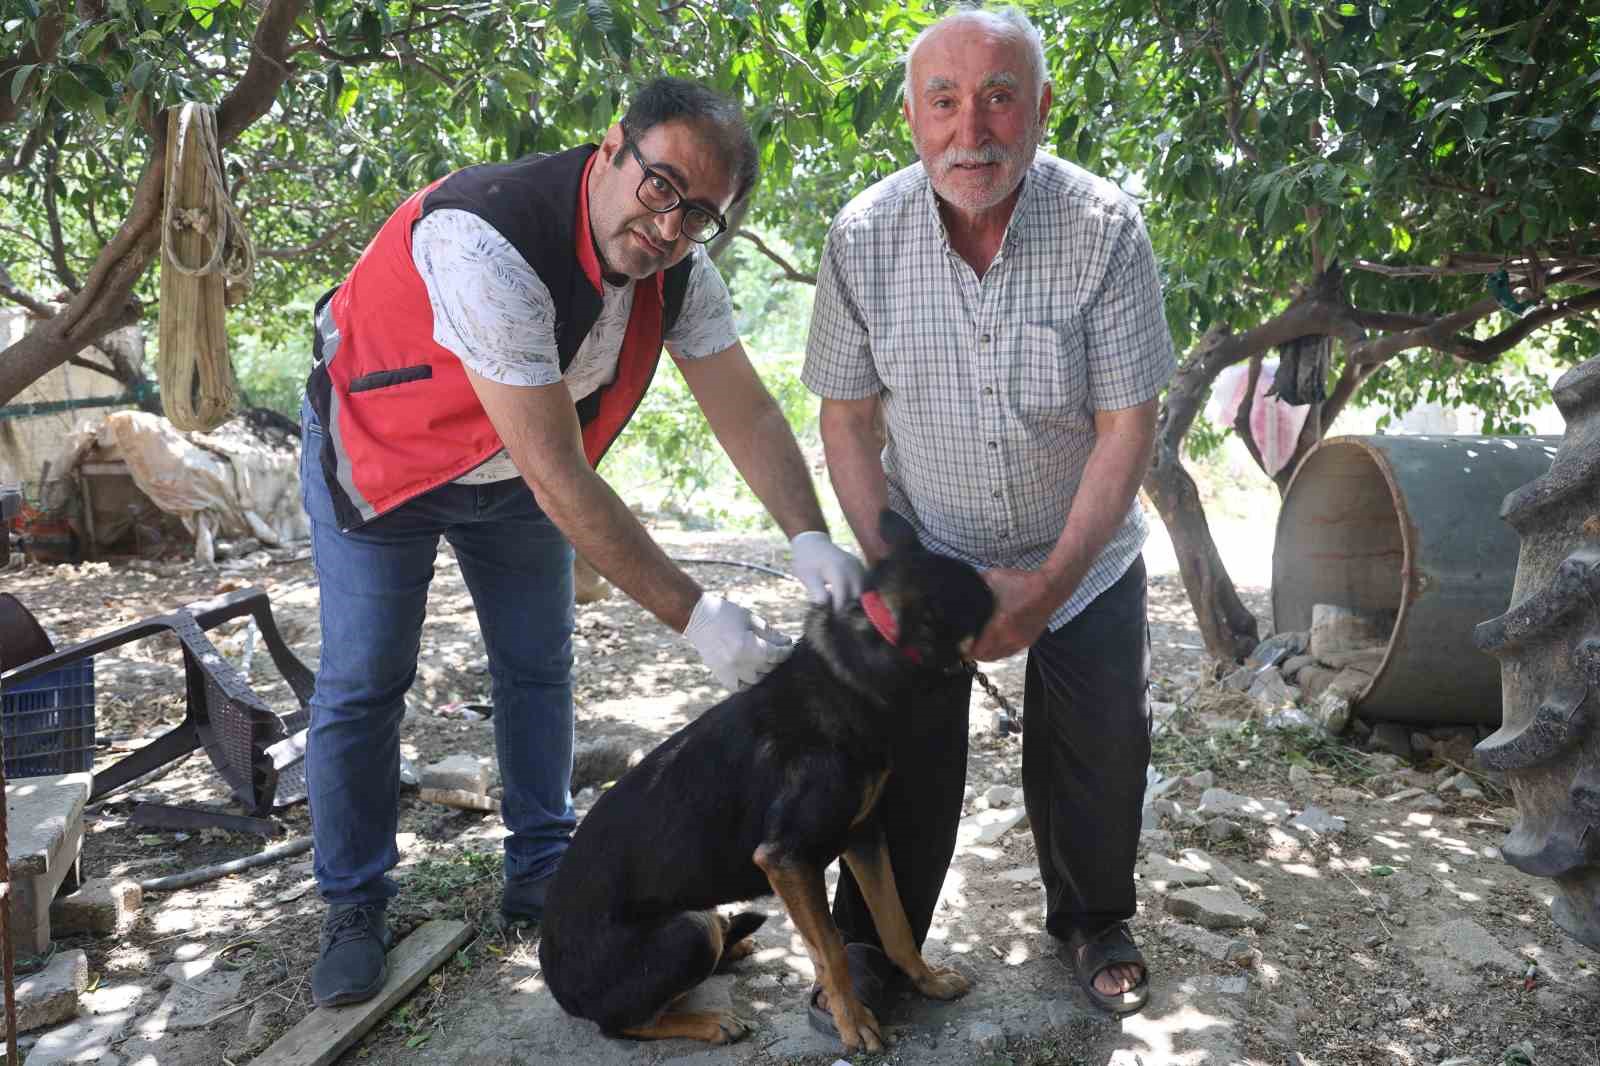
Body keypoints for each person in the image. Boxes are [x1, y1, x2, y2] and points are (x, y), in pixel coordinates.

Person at [300, 77, 864, 1008]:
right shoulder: (485, 237)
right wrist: (700, 619)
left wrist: (810, 535)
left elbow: (746, 408)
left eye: (700, 215)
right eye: (661, 185)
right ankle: (354, 901)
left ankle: (541, 866)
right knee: (365, 681)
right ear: (611, 148)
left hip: (515, 469)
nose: (670, 226)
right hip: (386, 454)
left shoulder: (680, 272)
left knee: (537, 664)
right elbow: (562, 477)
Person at [801, 6, 1174, 1025]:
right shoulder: (863, 236)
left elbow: (1126, 428)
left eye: (999, 98)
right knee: (899, 749)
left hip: (1082, 550)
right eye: (945, 102)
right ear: (912, 117)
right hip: (931, 547)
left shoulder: (1105, 228)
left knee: (1101, 740)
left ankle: (1094, 919)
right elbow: (845, 421)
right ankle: (875, 942)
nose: (972, 131)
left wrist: (1047, 585)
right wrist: (897, 570)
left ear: (1042, 108)